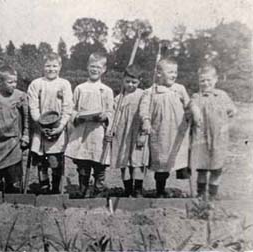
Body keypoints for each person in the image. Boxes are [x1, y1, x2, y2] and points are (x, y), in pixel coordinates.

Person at [139, 58, 192, 198]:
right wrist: (146, 120)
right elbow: (144, 109)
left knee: (181, 159)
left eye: (175, 72)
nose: (174, 75)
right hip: (160, 133)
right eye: (170, 72)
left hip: (178, 132)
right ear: (158, 74)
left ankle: (190, 191)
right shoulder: (150, 92)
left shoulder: (179, 89)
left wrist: (192, 112)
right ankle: (160, 190)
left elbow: (188, 105)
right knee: (161, 162)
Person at [65, 52, 114, 198]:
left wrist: (105, 116)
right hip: (82, 131)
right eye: (92, 66)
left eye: (98, 67)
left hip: (98, 131)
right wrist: (77, 117)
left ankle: (98, 190)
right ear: (87, 67)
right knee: (83, 162)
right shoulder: (80, 88)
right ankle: (83, 189)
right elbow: (72, 109)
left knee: (99, 163)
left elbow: (111, 112)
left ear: (104, 69)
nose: (94, 70)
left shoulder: (107, 90)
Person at [27, 53, 73, 194]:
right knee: (41, 161)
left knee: (55, 160)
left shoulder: (64, 84)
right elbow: (33, 106)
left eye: (54, 66)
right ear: (43, 66)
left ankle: (55, 188)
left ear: (60, 67)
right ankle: (44, 186)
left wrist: (60, 127)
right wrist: (40, 124)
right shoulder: (36, 84)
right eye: (48, 65)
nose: (51, 69)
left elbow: (67, 108)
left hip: (57, 128)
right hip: (40, 128)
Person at [190, 64, 237, 200]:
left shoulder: (222, 95)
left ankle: (212, 196)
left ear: (215, 79)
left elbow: (232, 111)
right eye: (202, 80)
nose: (205, 83)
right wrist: (195, 110)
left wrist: (227, 123)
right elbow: (192, 105)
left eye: (208, 80)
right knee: (202, 168)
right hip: (202, 139)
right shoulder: (196, 97)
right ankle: (200, 195)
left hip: (219, 138)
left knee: (217, 168)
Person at [0, 65, 29, 193]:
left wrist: (26, 135)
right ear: (0, 82)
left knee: (13, 177)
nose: (13, 85)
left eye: (15, 82)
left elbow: (27, 118)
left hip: (13, 143)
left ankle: (12, 194)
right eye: (10, 82)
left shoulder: (21, 96)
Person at [111, 64, 148, 197]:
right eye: (127, 82)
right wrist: (111, 130)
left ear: (140, 81)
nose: (131, 85)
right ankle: (127, 190)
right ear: (123, 80)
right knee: (124, 162)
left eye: (134, 82)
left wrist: (144, 132)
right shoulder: (118, 98)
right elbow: (113, 116)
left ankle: (138, 189)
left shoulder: (143, 95)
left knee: (137, 162)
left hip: (137, 132)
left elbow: (146, 113)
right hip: (122, 134)